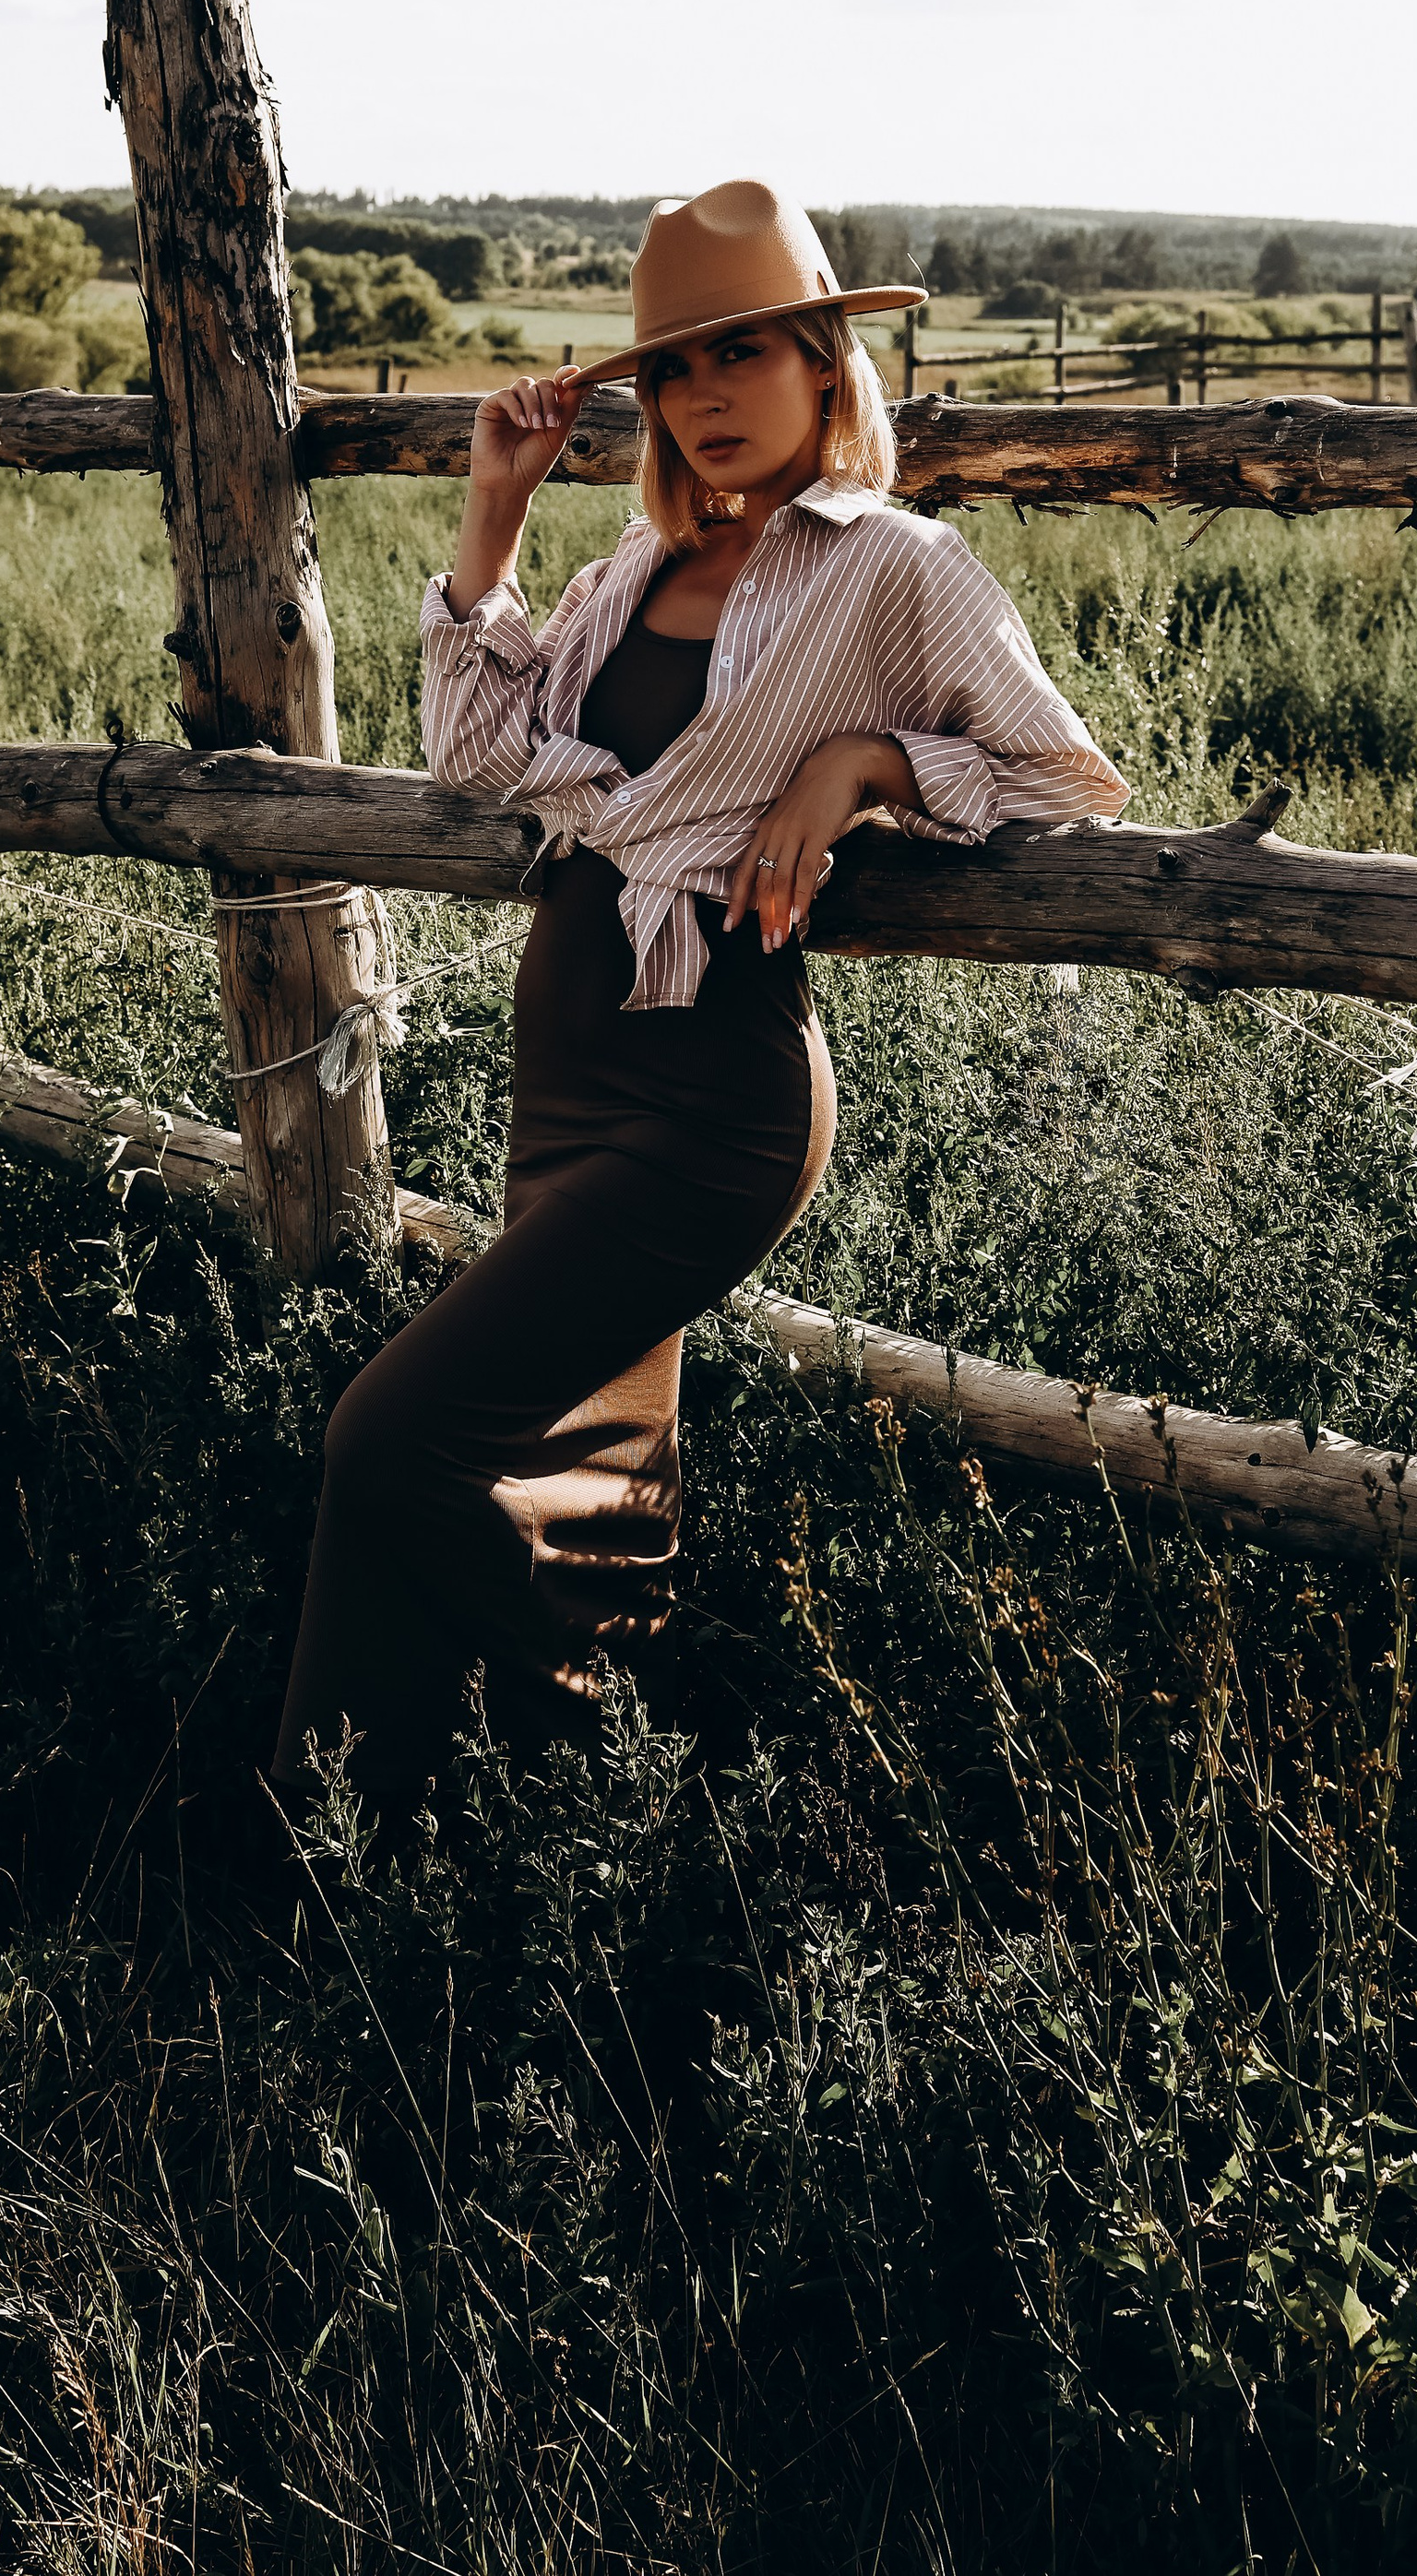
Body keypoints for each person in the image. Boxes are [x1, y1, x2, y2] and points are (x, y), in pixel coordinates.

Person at [270, 178, 1130, 1808]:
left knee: (391, 1440)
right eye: (673, 369)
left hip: (716, 1092)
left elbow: (1063, 778)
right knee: (589, 1477)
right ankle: (437, 1844)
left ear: (822, 362)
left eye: (743, 353)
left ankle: (562, 1782)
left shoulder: (898, 566)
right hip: (570, 1064)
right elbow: (480, 762)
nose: (705, 395)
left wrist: (865, 764)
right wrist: (495, 515)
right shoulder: (635, 566)